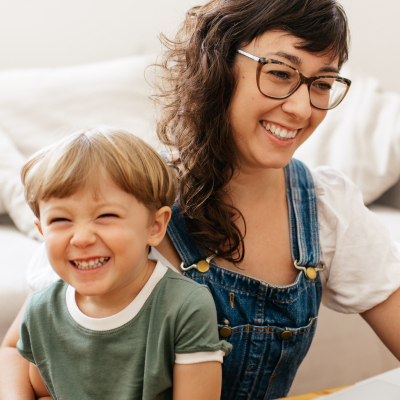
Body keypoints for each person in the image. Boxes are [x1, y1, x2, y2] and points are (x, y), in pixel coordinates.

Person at [1, 1, 400, 399]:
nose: (300, 108)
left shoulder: (327, 208)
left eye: (322, 84)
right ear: (219, 66)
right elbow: (16, 351)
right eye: (279, 73)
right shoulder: (129, 188)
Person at [14, 127, 231, 400]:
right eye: (60, 220)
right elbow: (44, 393)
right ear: (42, 230)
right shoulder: (40, 310)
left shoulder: (185, 306)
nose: (81, 238)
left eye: (106, 215)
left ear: (154, 226)